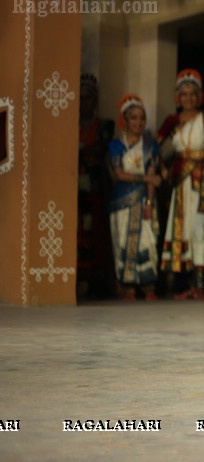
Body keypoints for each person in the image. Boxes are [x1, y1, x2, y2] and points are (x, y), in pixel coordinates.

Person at [158, 68, 204, 300]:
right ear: (178, 97)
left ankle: (200, 285)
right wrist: (161, 169)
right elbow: (157, 150)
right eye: (184, 94)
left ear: (199, 96)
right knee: (180, 231)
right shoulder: (172, 122)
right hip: (180, 183)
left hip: (201, 181)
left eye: (193, 93)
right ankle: (185, 283)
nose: (189, 98)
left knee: (200, 229)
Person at [107, 95, 162, 300]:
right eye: (134, 118)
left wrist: (148, 203)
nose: (138, 123)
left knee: (146, 241)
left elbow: (153, 178)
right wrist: (148, 177)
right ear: (125, 120)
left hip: (143, 200)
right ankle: (128, 286)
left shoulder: (150, 145)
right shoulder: (115, 145)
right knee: (123, 240)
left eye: (141, 118)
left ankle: (148, 287)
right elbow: (119, 174)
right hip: (122, 201)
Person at [78, 73, 115, 299]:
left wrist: (81, 153)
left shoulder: (104, 125)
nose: (84, 103)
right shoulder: (68, 125)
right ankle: (79, 278)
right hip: (77, 187)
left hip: (95, 185)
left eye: (89, 98)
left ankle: (97, 281)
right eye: (81, 98)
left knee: (97, 232)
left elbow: (100, 150)